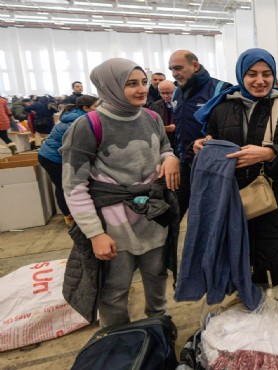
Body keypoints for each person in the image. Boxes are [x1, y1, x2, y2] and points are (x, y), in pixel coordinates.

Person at [192, 48, 278, 362]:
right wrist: (202, 145)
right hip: (240, 212)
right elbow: (215, 142)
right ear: (241, 75)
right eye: (252, 74)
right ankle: (268, 348)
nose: (260, 81)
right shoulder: (223, 109)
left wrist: (270, 153)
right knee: (249, 287)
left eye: (266, 74)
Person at [61, 58, 180, 328]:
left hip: (152, 217)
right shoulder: (86, 127)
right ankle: (116, 341)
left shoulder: (151, 117)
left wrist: (170, 157)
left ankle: (159, 329)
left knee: (157, 278)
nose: (141, 89)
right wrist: (95, 233)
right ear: (110, 86)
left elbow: (163, 148)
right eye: (130, 84)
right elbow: (74, 186)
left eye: (143, 82)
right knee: (114, 291)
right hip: (114, 224)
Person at [169, 50, 232, 219]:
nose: (175, 73)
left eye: (178, 68)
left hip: (211, 169)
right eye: (171, 69)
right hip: (185, 166)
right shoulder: (177, 92)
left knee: (209, 219)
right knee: (173, 215)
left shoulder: (222, 90)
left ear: (195, 65)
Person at [38, 95, 99, 227]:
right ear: (86, 108)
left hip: (54, 154)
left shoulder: (79, 116)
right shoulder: (77, 122)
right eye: (96, 106)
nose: (99, 109)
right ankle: (69, 217)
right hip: (52, 157)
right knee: (63, 186)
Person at [150, 80, 176, 147]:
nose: (166, 96)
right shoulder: (154, 106)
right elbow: (151, 126)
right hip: (164, 142)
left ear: (175, 90)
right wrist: (163, 128)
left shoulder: (183, 104)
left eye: (169, 93)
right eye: (162, 93)